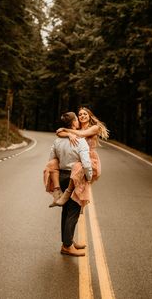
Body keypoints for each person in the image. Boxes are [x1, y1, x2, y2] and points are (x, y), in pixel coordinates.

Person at [48, 111, 93, 257]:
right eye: (77, 119)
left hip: (62, 176)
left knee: (66, 211)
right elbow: (86, 163)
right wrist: (89, 176)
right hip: (75, 178)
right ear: (74, 123)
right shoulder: (80, 142)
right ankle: (67, 246)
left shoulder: (57, 141)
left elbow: (52, 160)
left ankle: (68, 241)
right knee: (73, 212)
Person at [49, 107, 109, 207]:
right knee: (53, 164)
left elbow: (83, 134)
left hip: (90, 160)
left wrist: (66, 130)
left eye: (85, 114)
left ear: (89, 115)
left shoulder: (95, 127)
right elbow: (58, 132)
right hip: (79, 157)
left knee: (78, 167)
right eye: (80, 114)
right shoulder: (76, 129)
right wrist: (68, 134)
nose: (82, 116)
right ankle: (57, 192)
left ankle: (66, 194)